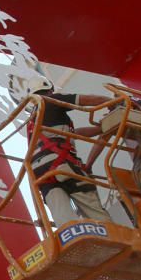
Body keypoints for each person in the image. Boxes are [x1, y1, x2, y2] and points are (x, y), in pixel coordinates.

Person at [10, 74, 113, 227]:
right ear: (50, 89)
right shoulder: (52, 100)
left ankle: (75, 240)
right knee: (91, 206)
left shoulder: (34, 118)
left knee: (63, 217)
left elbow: (74, 134)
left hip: (39, 172)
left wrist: (100, 129)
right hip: (60, 163)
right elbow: (87, 100)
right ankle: (112, 235)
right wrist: (115, 103)